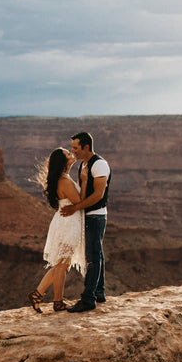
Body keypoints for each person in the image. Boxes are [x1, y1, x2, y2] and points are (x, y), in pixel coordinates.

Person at [28, 147, 85, 313]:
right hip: (69, 224)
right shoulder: (64, 181)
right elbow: (78, 201)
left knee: (62, 264)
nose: (72, 154)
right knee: (61, 265)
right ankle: (58, 302)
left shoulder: (63, 178)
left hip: (64, 222)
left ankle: (38, 294)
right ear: (63, 161)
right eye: (68, 154)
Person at [60, 131, 110, 312]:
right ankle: (99, 293)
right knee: (97, 254)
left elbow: (98, 194)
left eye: (76, 148)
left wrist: (76, 208)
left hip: (96, 216)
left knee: (93, 257)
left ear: (86, 147)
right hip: (89, 215)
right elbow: (85, 191)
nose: (73, 152)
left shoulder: (99, 165)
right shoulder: (84, 165)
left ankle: (88, 299)